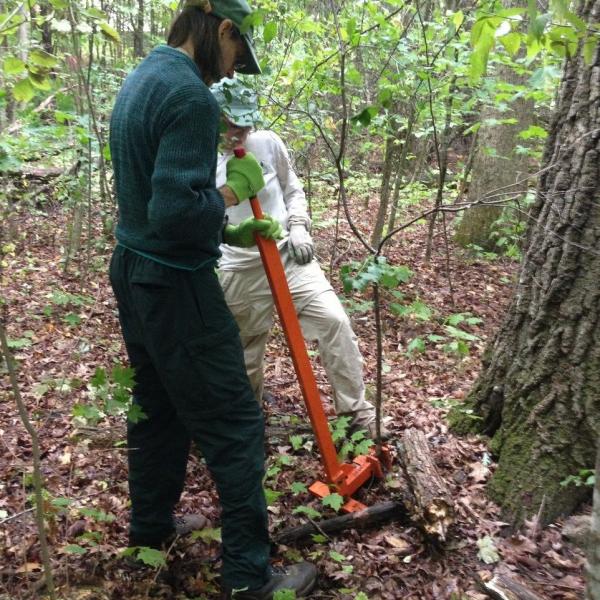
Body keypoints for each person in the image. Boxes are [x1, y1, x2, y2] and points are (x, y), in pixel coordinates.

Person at [108, 2, 316, 598]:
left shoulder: (142, 78)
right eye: (234, 55)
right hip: (177, 284)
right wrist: (230, 193)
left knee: (158, 406)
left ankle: (149, 533)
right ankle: (250, 581)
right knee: (236, 426)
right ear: (222, 29)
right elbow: (175, 212)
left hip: (134, 270)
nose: (229, 73)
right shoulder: (190, 96)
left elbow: (149, 202)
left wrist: (224, 232)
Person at [212, 78, 390, 441]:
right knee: (245, 352)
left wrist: (298, 227)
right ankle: (249, 422)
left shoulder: (267, 142)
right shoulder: (201, 161)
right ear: (216, 120)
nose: (240, 133)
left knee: (334, 322)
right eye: (233, 124)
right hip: (239, 266)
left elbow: (293, 189)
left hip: (289, 256)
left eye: (246, 123)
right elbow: (202, 218)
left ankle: (357, 415)